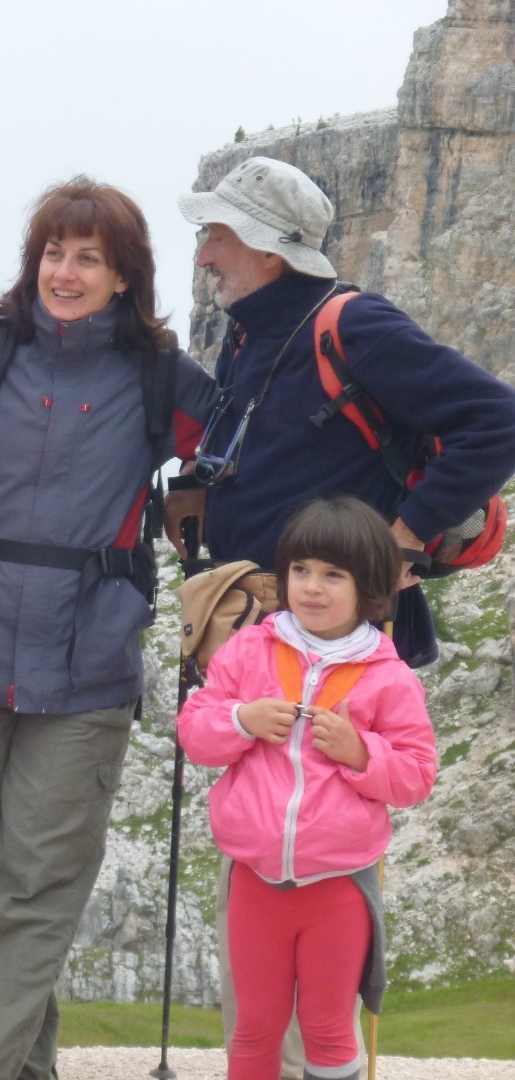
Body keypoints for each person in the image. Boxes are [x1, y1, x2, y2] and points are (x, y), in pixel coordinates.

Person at [174, 155, 515, 1078]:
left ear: (268, 251)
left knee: (322, 840)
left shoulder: (352, 325)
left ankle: (302, 1060)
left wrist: (396, 545)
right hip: (264, 636)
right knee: (267, 828)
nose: (203, 251)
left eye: (217, 234)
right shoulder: (250, 337)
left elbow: (496, 417)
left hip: (347, 648)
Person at [0, 176, 219, 1080]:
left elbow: (241, 452)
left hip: (89, 671)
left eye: (89, 258)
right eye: (53, 252)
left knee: (32, 889)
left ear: (125, 278)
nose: (65, 272)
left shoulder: (160, 376)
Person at [177, 495, 437, 1080]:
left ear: (370, 587)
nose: (312, 587)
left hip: (338, 887)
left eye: (333, 575)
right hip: (256, 881)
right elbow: (195, 732)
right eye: (300, 570)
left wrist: (362, 753)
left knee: (325, 1028)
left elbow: (418, 774)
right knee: (254, 1030)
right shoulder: (250, 648)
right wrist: (241, 721)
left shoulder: (387, 674)